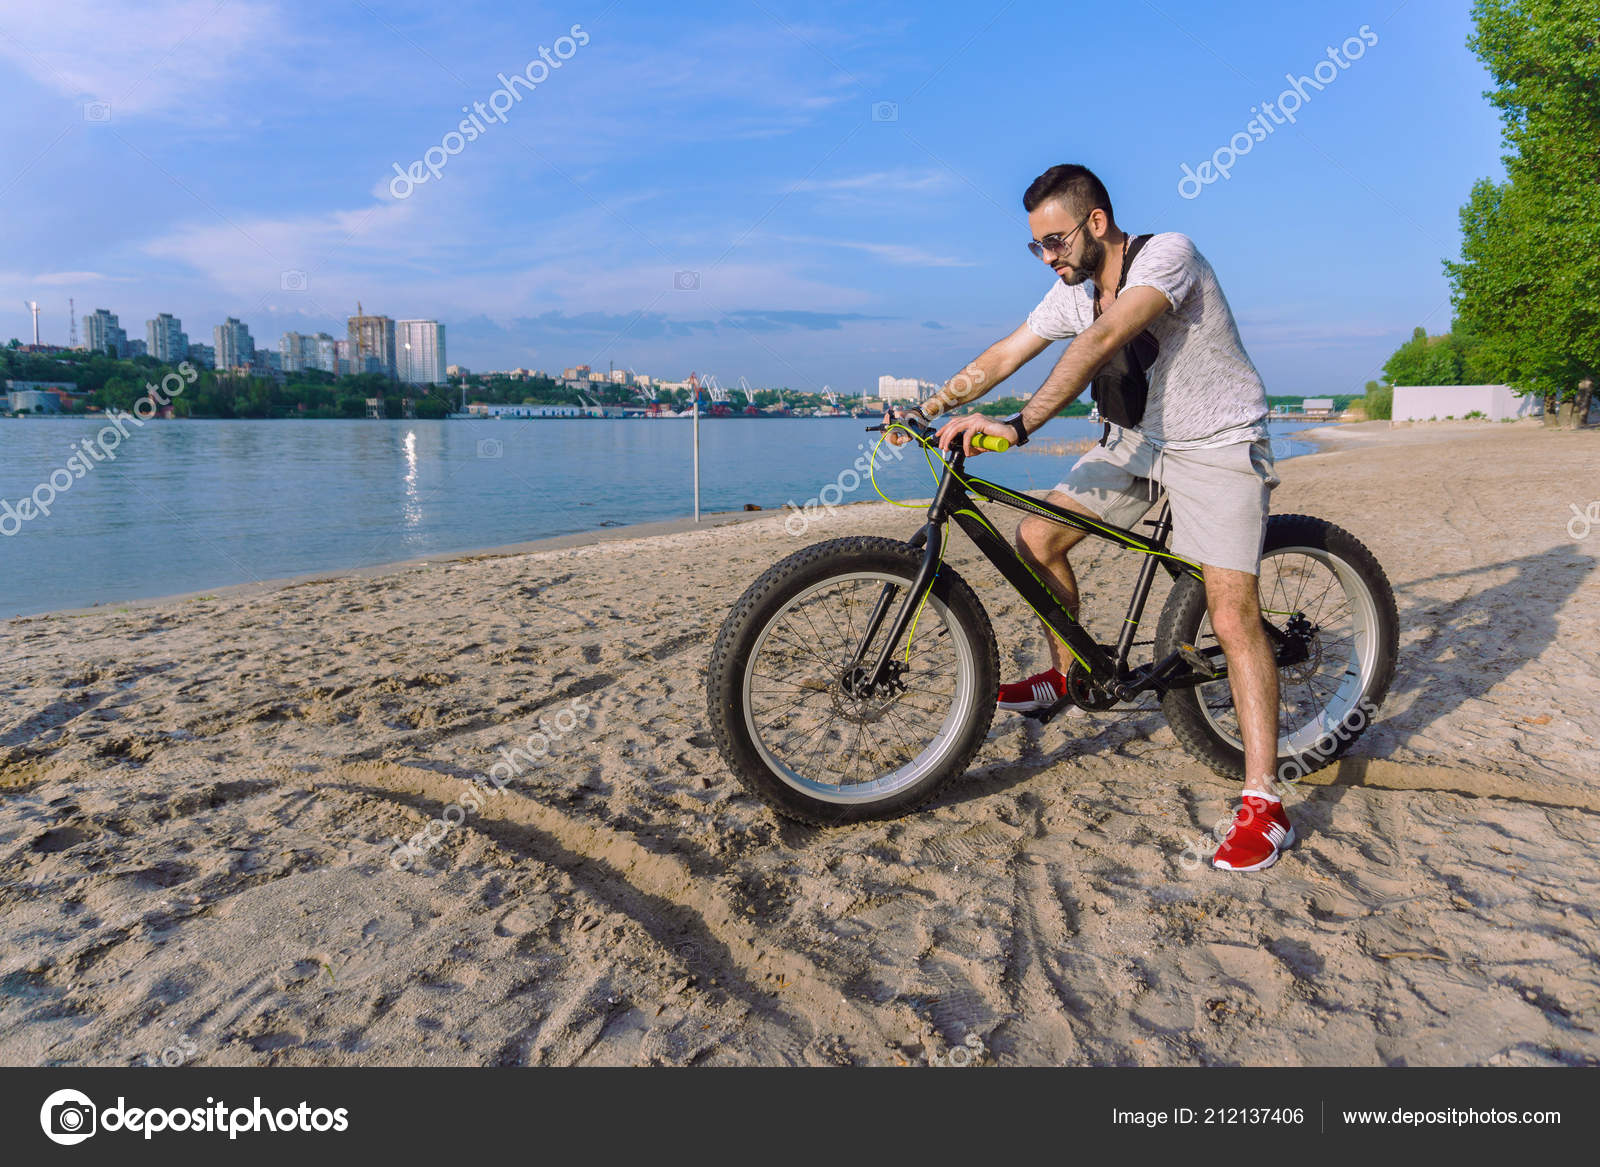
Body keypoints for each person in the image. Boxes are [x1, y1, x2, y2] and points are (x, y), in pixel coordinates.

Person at [885, 163, 1288, 872]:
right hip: (1136, 442)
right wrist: (930, 406)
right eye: (1036, 246)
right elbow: (1007, 351)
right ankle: (1064, 676)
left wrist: (1019, 425)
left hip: (1216, 441)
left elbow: (1102, 341)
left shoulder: (1168, 257)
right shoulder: (1071, 290)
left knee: (1231, 614)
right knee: (1037, 536)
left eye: (1055, 241)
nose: (1048, 257)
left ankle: (1264, 801)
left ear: (1096, 222)